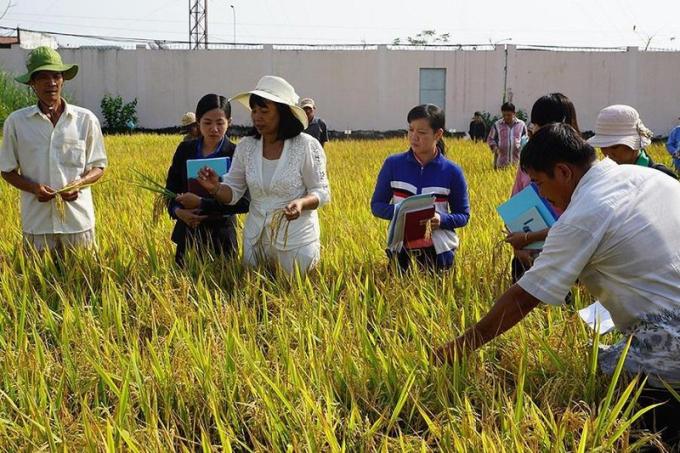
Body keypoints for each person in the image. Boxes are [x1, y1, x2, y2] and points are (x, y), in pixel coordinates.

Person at [435, 123, 680, 448]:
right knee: (611, 356)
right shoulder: (650, 178)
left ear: (563, 172)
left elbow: (523, 298)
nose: (541, 194)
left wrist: (460, 347)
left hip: (672, 350)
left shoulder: (582, 215)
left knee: (626, 410)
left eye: (538, 183)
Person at [177, 76, 330, 276]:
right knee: (255, 297)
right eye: (254, 111)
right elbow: (232, 193)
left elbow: (322, 191)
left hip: (295, 241)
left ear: (283, 113)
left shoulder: (306, 145)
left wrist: (301, 203)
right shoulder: (246, 147)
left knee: (294, 296)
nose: (257, 116)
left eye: (264, 111)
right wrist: (215, 187)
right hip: (255, 241)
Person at [0, 46, 107, 254]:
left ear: (63, 80)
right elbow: (6, 170)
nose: (51, 83)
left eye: (56, 76)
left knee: (82, 282)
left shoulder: (85, 119)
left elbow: (99, 165)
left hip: (78, 222)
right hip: (38, 225)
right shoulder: (17, 122)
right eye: (43, 77)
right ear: (32, 83)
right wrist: (34, 188)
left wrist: (80, 183)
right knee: (37, 284)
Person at [371, 104, 470, 272]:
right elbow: (377, 206)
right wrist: (402, 214)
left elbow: (463, 216)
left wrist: (441, 219)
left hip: (440, 254)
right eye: (411, 130)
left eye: (422, 133)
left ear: (438, 134)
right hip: (400, 252)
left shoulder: (452, 171)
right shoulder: (393, 165)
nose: (413, 137)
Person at [165, 95, 249, 266]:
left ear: (229, 122)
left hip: (221, 238)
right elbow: (170, 190)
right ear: (198, 123)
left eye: (220, 123)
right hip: (188, 233)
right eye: (207, 123)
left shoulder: (236, 153)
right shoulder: (185, 150)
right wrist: (178, 211)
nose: (214, 129)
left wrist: (202, 203)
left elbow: (244, 202)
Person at [506, 93, 578, 282]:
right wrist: (519, 247)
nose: (535, 128)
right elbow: (516, 202)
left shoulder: (578, 164)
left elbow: (574, 225)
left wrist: (527, 238)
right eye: (535, 122)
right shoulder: (529, 157)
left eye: (541, 123)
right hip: (527, 254)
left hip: (566, 257)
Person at [587, 105, 677, 179]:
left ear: (635, 145)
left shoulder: (661, 177)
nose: (607, 154)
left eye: (614, 147)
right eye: (602, 146)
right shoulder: (603, 175)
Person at [487, 102, 527, 169]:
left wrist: (522, 146)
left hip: (517, 164)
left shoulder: (521, 125)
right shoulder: (497, 125)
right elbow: (490, 139)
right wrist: (495, 148)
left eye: (509, 115)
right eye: (504, 115)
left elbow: (525, 139)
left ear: (514, 113)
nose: (506, 117)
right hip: (500, 163)